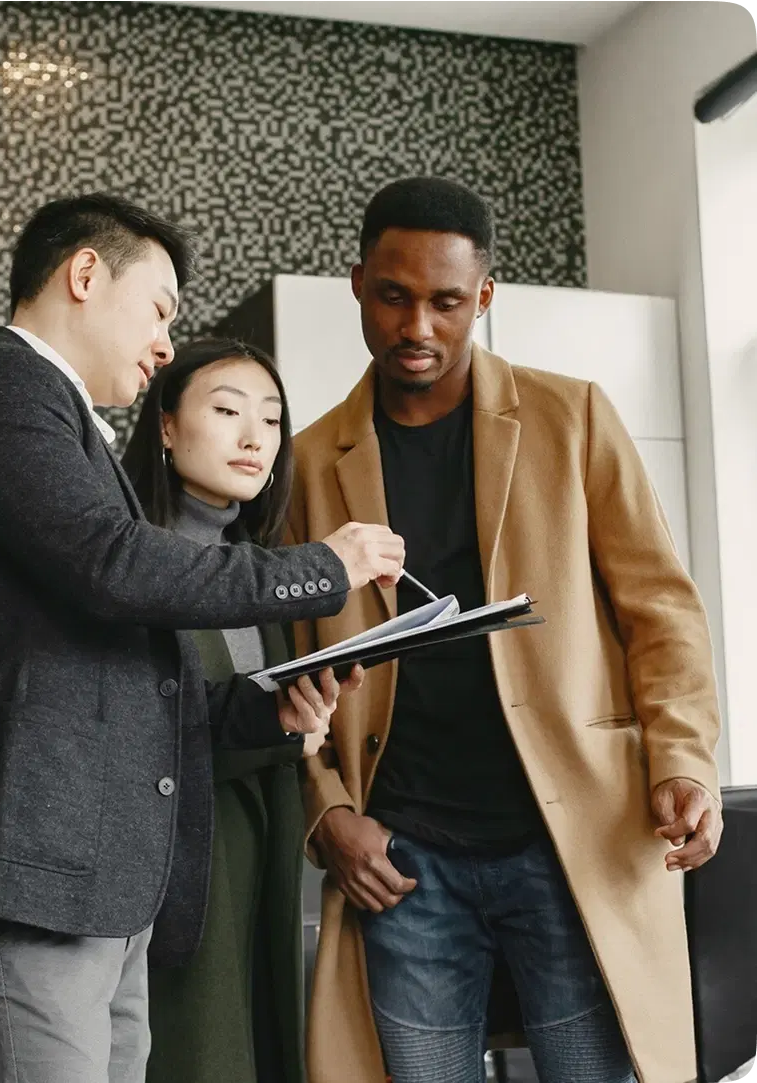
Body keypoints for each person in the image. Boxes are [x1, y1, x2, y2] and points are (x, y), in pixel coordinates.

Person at [0, 192, 406, 1083]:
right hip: (33, 880)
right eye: (160, 308)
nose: (167, 342)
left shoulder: (59, 424)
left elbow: (139, 686)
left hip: (94, 889)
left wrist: (271, 713)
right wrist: (326, 564)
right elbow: (117, 564)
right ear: (84, 275)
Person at [286, 176, 723, 1083]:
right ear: (358, 283)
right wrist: (327, 810)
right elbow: (293, 665)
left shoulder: (576, 417)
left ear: (484, 297)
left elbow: (662, 611)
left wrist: (683, 758)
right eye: (395, 296)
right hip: (402, 861)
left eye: (447, 302)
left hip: (574, 839)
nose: (418, 327)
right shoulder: (309, 461)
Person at [121, 337, 322, 1083]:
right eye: (228, 409)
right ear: (167, 427)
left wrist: (299, 717)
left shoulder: (255, 567)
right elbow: (149, 734)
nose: (253, 436)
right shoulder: (135, 563)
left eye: (270, 419)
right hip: (181, 873)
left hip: (262, 854)